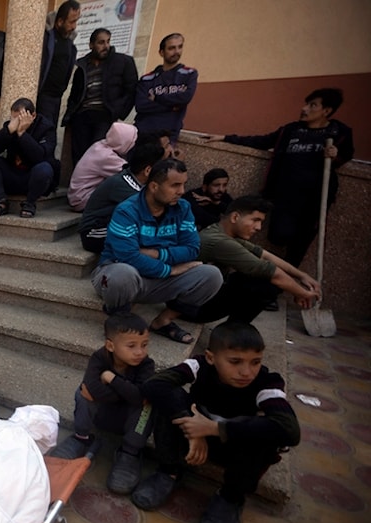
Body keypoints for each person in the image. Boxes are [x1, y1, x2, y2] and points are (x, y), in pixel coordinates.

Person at [133, 322, 300, 523]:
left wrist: (215, 428)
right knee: (168, 399)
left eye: (255, 362)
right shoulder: (200, 366)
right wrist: (195, 430)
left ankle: (231, 498)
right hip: (192, 439)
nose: (246, 371)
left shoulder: (266, 383)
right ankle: (168, 472)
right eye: (235, 362)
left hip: (234, 450)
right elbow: (154, 384)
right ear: (211, 357)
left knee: (268, 434)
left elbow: (290, 430)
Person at [204, 88, 354, 267]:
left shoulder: (338, 132)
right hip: (284, 197)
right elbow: (261, 141)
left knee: (300, 242)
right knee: (278, 236)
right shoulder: (291, 130)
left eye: (312, 105)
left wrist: (335, 154)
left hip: (313, 200)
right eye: (306, 103)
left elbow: (346, 154)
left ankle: (284, 282)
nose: (304, 108)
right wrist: (225, 137)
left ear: (326, 111)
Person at [92, 158, 223, 344]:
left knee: (212, 275)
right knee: (122, 272)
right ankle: (120, 320)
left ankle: (163, 321)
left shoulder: (183, 208)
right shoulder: (127, 211)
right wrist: (170, 269)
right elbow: (128, 257)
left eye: (183, 184)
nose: (182, 191)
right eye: (175, 185)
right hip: (122, 277)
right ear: (154, 186)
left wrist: (157, 254)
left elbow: (193, 249)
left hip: (159, 279)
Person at [48, 314, 155, 495]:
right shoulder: (99, 358)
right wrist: (128, 394)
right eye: (132, 346)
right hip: (102, 414)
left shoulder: (146, 365)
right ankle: (81, 437)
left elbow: (139, 397)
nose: (140, 352)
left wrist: (111, 378)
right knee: (83, 392)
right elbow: (92, 389)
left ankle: (130, 452)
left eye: (144, 345)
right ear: (110, 345)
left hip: (129, 421)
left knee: (148, 405)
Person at [190, 195, 320, 324]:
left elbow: (265, 255)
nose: (258, 227)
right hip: (191, 308)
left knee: (263, 277)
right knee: (267, 284)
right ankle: (233, 331)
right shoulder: (219, 241)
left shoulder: (224, 233)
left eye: (261, 222)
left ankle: (233, 331)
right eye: (255, 220)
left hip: (201, 298)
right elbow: (272, 273)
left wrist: (302, 275)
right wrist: (301, 293)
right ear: (235, 217)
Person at [62, 28, 138, 167]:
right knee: (79, 155)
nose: (106, 46)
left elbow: (131, 90)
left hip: (105, 115)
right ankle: (79, 185)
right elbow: (75, 94)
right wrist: (70, 115)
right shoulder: (83, 65)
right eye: (101, 42)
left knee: (97, 154)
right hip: (82, 115)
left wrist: (119, 113)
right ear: (91, 45)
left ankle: (95, 187)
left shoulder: (122, 62)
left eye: (108, 42)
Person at [78, 141, 165, 253]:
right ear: (148, 171)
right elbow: (150, 208)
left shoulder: (135, 181)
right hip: (94, 233)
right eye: (161, 169)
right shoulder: (124, 184)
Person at [0, 97, 57, 219]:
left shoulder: (46, 128)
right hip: (12, 173)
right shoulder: (11, 126)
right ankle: (2, 201)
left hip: (33, 178)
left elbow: (40, 157)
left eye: (19, 118)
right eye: (13, 118)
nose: (16, 122)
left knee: (45, 168)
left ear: (32, 115)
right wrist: (9, 130)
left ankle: (30, 203)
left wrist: (22, 134)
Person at [134, 33, 198, 143]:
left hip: (169, 133)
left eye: (180, 47)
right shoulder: (147, 79)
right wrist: (171, 107)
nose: (176, 51)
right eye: (171, 48)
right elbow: (140, 105)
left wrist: (157, 98)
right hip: (143, 130)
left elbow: (185, 98)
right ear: (161, 52)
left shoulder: (189, 74)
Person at [67, 121, 137, 211]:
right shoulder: (106, 156)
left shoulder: (100, 145)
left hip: (78, 196)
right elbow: (130, 172)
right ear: (124, 142)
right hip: (82, 199)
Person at [36, 1, 81, 127]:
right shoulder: (47, 38)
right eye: (71, 22)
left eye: (76, 21)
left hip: (57, 98)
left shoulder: (69, 44)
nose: (74, 26)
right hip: (44, 95)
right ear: (60, 21)